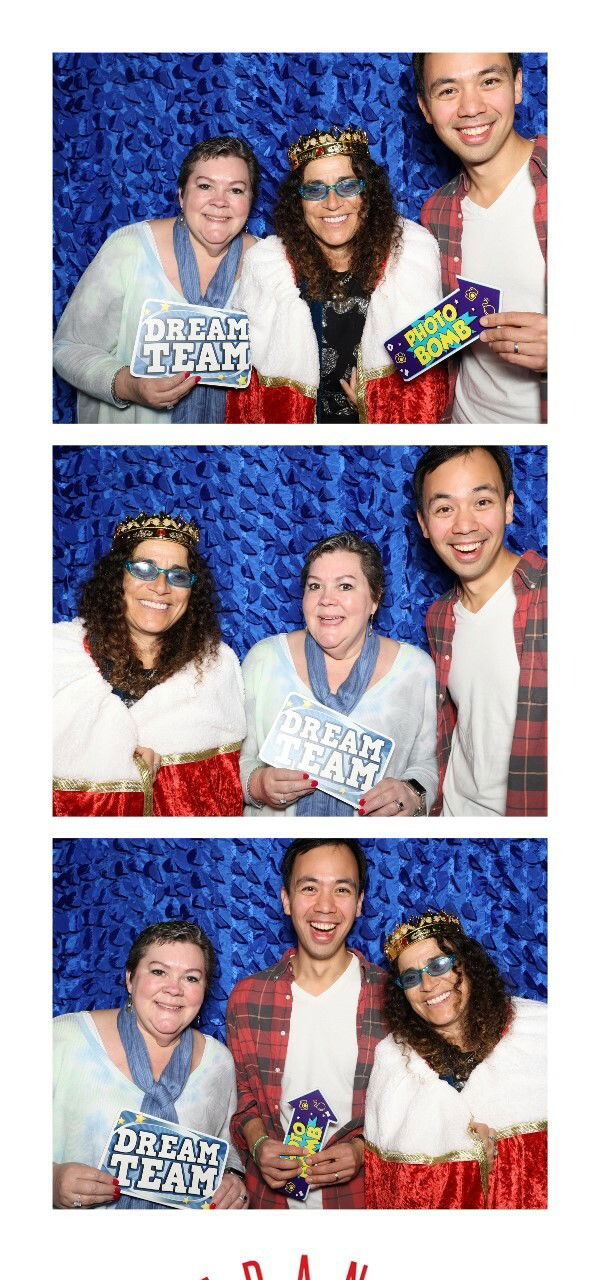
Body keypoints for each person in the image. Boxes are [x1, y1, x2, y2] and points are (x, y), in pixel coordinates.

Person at [227, 125, 448, 424]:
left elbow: (429, 385)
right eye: (315, 190)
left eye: (347, 186)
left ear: (368, 193)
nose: (332, 203)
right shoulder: (267, 269)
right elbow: (246, 397)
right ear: (299, 202)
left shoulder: (411, 261)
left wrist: (374, 404)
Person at [53, 134, 259, 424]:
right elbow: (68, 348)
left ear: (250, 201)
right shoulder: (131, 247)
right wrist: (129, 386)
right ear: (181, 195)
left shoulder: (266, 262)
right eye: (205, 186)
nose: (219, 201)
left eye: (236, 190)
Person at [226, 841, 387, 1208]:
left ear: (359, 903)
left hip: (360, 1202)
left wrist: (363, 1150)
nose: (325, 906)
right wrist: (258, 1144)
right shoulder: (249, 997)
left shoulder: (392, 999)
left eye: (341, 890)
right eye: (310, 887)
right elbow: (243, 1096)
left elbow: (410, 1106)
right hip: (270, 1204)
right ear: (286, 900)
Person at [53, 511, 246, 817]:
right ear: (118, 578)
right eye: (144, 569)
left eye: (178, 576)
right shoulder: (54, 658)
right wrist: (115, 755)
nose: (161, 586)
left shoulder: (216, 671)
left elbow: (225, 793)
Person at [53, 919, 248, 1210]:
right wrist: (51, 1181)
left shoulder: (218, 1062)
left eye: (191, 978)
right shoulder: (64, 1037)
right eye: (158, 972)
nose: (174, 989)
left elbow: (227, 1148)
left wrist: (233, 1178)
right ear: (130, 979)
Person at [241, 531, 437, 818]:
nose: (326, 599)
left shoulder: (415, 670)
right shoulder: (264, 659)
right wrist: (256, 784)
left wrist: (412, 793)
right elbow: (231, 760)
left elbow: (428, 765)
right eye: (315, 586)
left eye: (345, 586)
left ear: (374, 599)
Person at [364, 908, 547, 1209]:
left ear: (467, 963)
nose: (427, 985)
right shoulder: (393, 1065)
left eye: (438, 965)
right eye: (411, 977)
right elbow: (385, 1192)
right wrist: (456, 1145)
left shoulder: (542, 1034)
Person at [413, 53, 547, 423]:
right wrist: (379, 378)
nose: (471, 108)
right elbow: (450, 326)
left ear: (517, 85)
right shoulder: (436, 211)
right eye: (448, 90)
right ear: (425, 108)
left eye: (489, 81)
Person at [414, 445, 547, 816]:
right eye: (444, 508)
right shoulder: (440, 617)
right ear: (424, 524)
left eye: (482, 502)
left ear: (508, 506)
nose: (464, 525)